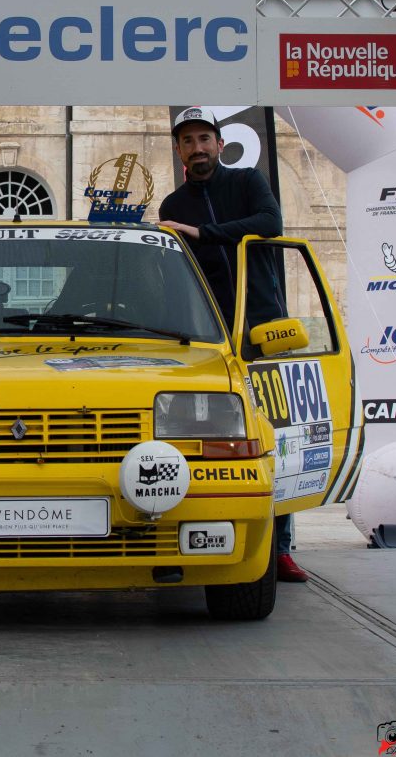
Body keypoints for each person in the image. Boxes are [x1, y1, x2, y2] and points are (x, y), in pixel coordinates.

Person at [158, 106, 307, 584]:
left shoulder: (247, 182)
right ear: (179, 150)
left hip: (260, 327)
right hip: (204, 336)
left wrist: (203, 234)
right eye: (188, 141)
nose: (198, 148)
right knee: (197, 442)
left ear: (220, 145)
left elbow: (269, 221)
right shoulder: (172, 205)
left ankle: (279, 548)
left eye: (205, 139)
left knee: (275, 439)